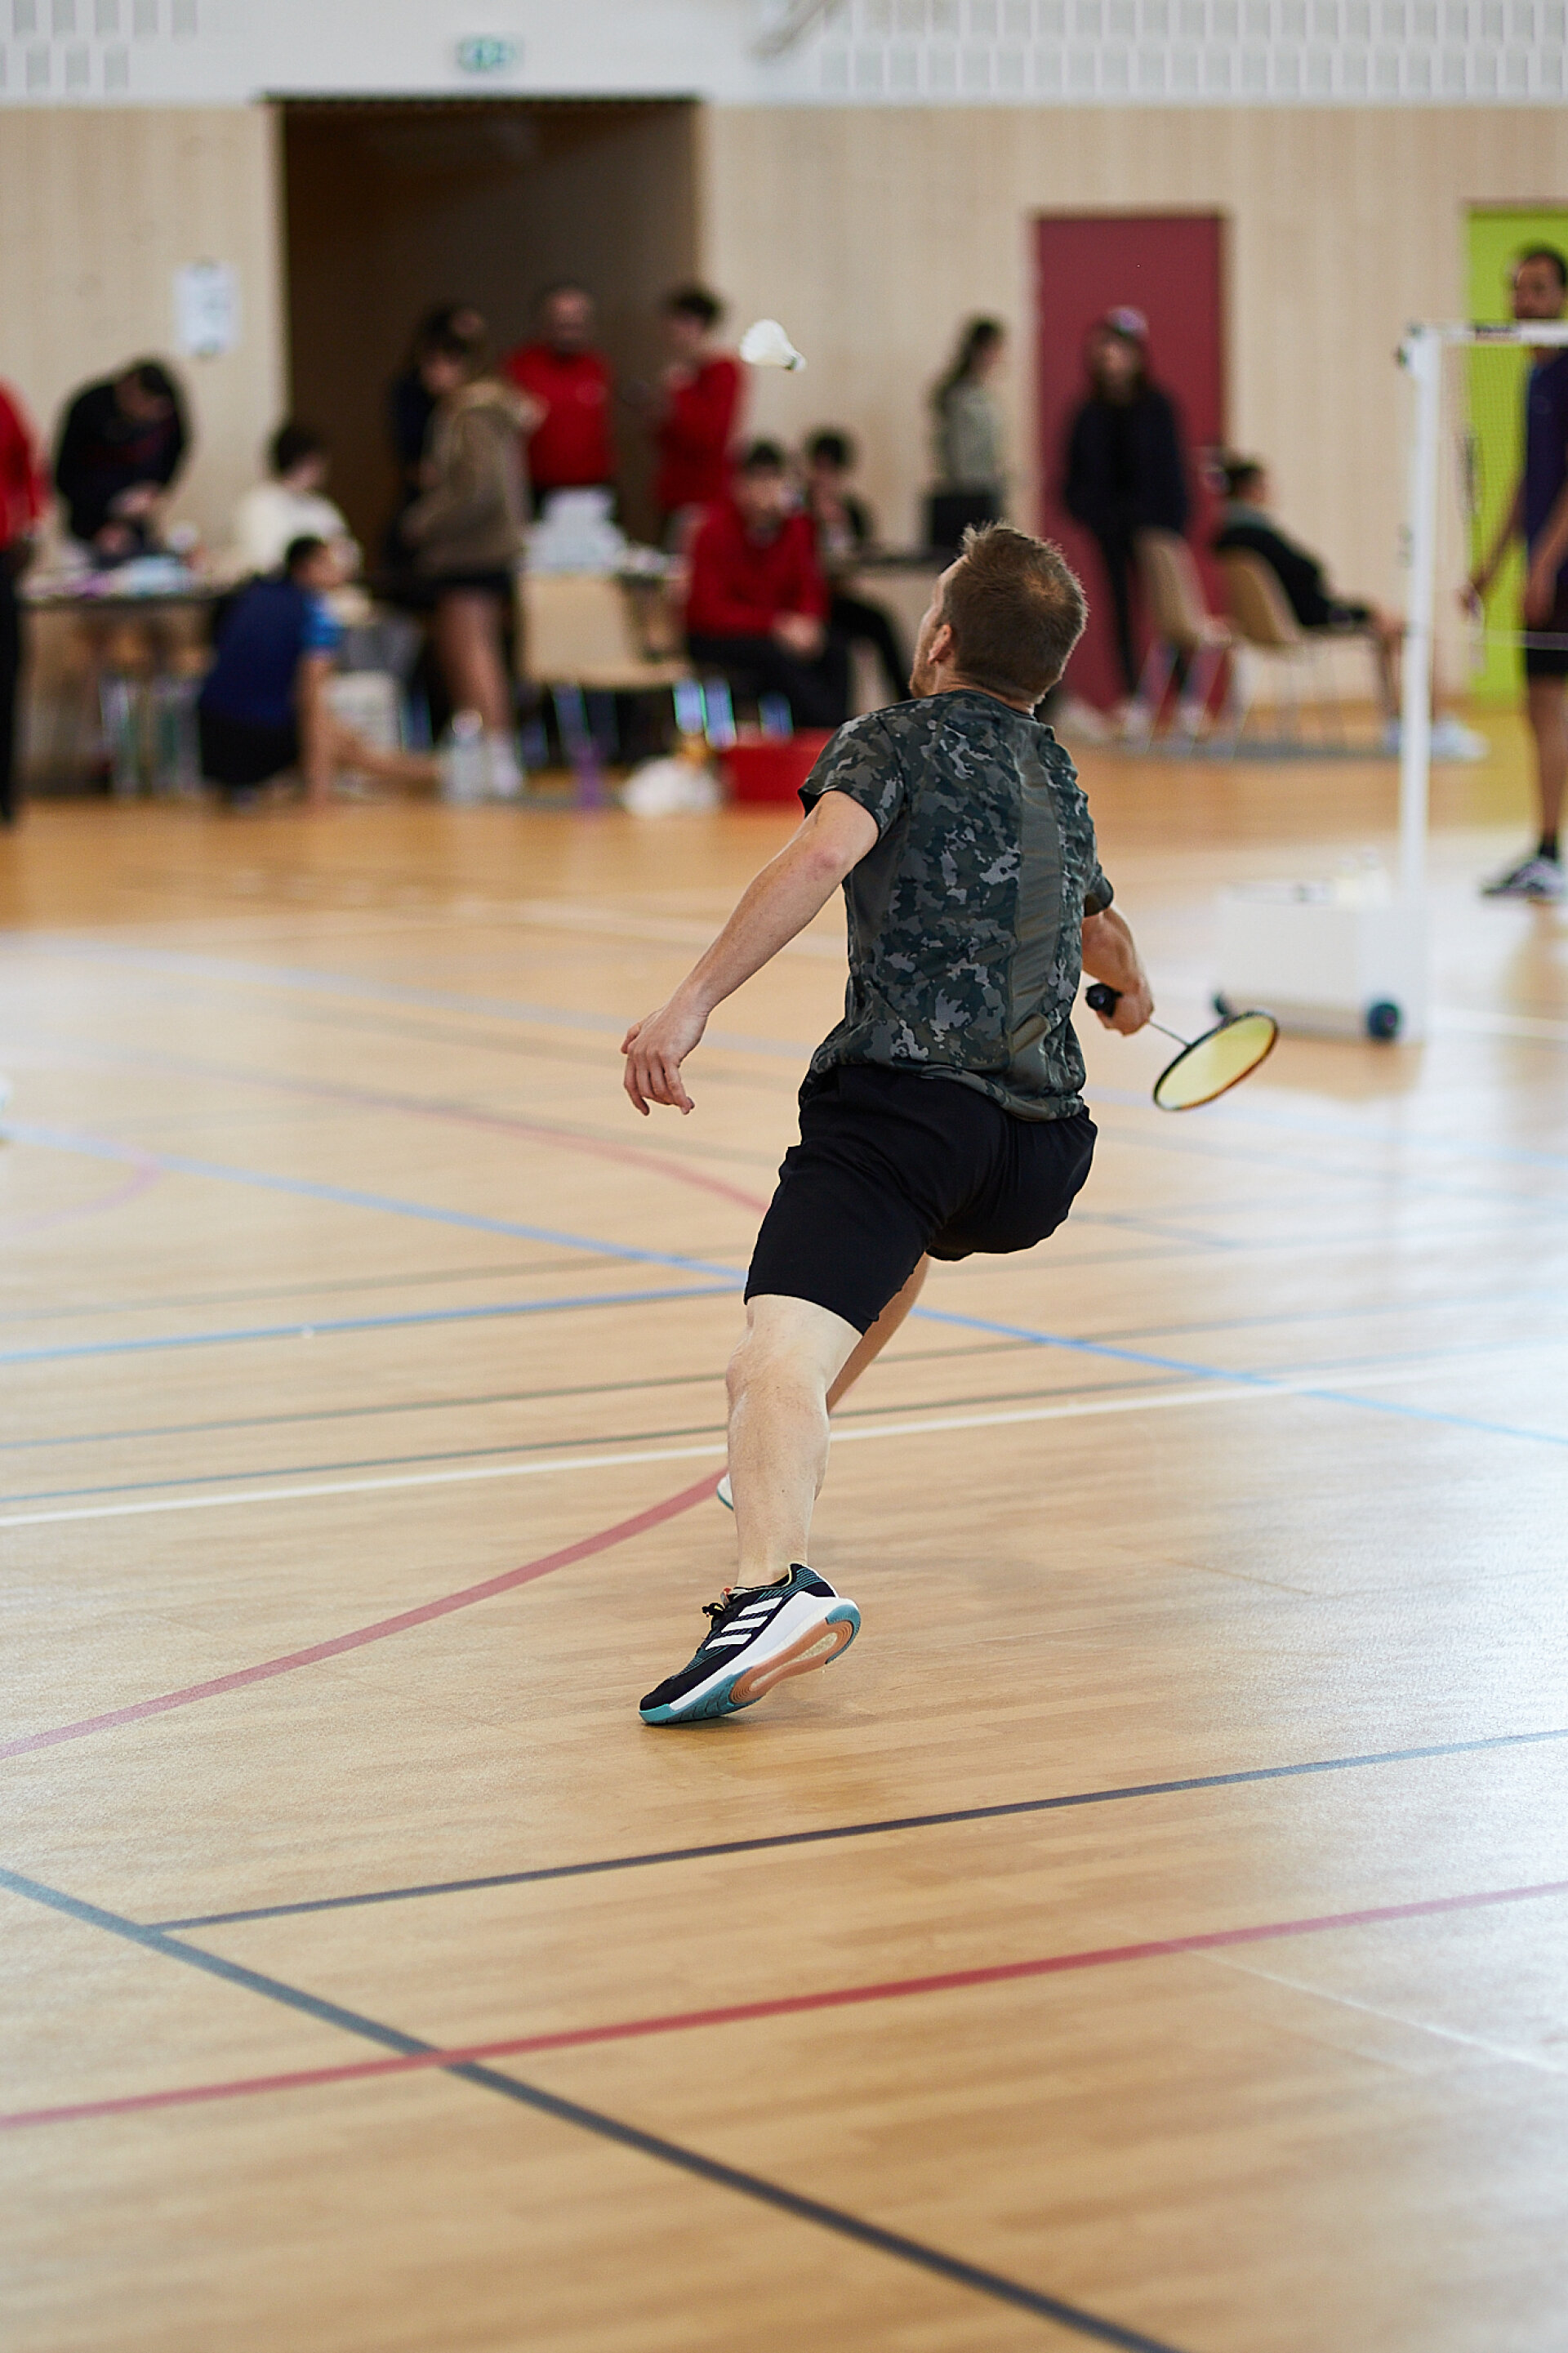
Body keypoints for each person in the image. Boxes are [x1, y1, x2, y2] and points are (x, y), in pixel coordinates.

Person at [622, 522, 1154, 1726]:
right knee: (897, 1241)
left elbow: (822, 858)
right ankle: (780, 1451)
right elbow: (1102, 934)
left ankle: (770, 1590)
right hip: (1037, 1158)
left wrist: (690, 1002)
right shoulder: (1057, 771)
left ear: (941, 637)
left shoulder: (891, 738)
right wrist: (1134, 994)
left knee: (769, 1358)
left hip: (908, 1115)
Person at [1214, 457, 1484, 760]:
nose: (1270, 490)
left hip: (1300, 613)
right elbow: (1307, 570)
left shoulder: (1229, 535)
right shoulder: (1255, 535)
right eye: (1264, 485)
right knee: (1416, 632)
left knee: (1386, 628)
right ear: (1249, 489)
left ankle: (1400, 724)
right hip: (1310, 616)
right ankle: (1433, 726)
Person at [1468, 247, 1568, 902]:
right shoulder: (1534, 375)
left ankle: (1550, 852)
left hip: (1562, 573)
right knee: (1540, 708)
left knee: (1550, 705)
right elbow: (1530, 479)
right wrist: (1491, 566)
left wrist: (1546, 565)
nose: (1523, 301)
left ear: (1561, 296)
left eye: (1537, 289)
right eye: (1517, 289)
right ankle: (1546, 849)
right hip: (1543, 568)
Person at [398, 320, 533, 800]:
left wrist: (424, 519)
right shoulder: (485, 411)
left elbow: (478, 489)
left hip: (473, 550)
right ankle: (485, 752)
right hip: (482, 548)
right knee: (466, 651)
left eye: (435, 364)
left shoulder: (471, 413)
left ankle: (498, 756)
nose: (429, 376)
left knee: (474, 652)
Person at [198, 536, 437, 808]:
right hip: (259, 742)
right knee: (344, 743)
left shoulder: (252, 595)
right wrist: (319, 793)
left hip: (211, 740)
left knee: (344, 739)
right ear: (306, 567)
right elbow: (310, 700)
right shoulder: (316, 613)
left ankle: (435, 772)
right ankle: (440, 772)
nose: (338, 569)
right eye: (328, 562)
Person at [1062, 309, 1189, 715]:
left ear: (1134, 356)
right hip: (1110, 528)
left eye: (1117, 352)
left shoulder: (1156, 406)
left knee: (1169, 608)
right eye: (1103, 354)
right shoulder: (1088, 412)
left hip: (1155, 525)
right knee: (1120, 612)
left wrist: (1172, 521)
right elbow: (1075, 472)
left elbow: (1171, 467)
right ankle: (1134, 698)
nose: (1110, 362)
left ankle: (1187, 696)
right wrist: (1090, 513)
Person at [684, 439, 846, 729]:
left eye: (773, 480)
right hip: (723, 634)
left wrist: (808, 622)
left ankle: (843, 733)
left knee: (834, 648)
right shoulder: (712, 530)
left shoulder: (797, 528)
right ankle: (825, 732)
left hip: (778, 628)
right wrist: (776, 624)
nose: (765, 492)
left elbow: (810, 587)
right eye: (757, 482)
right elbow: (707, 611)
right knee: (777, 659)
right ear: (739, 486)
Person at [804, 428, 910, 707]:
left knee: (882, 624)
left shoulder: (852, 511)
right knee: (837, 646)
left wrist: (838, 526)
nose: (824, 477)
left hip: (836, 599)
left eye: (832, 470)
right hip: (805, 604)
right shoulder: (797, 509)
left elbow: (858, 561)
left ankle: (908, 704)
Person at [53, 359, 188, 561]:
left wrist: (157, 488)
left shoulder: (167, 411)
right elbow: (65, 476)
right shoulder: (90, 409)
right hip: (88, 527)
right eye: (147, 406)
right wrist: (99, 527)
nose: (151, 417)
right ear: (128, 389)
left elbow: (177, 449)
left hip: (137, 527)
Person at [503, 283, 616, 514]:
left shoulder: (597, 365)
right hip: (539, 490)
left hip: (594, 489)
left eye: (577, 316)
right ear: (544, 320)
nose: (570, 323)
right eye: (561, 316)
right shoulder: (519, 367)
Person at [649, 285, 743, 538]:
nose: (670, 334)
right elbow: (664, 438)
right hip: (673, 490)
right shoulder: (682, 372)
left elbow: (710, 435)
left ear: (694, 325)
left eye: (676, 325)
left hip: (704, 494)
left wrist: (681, 392)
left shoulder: (722, 371)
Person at [0, 379, 45, 827]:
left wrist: (31, 523)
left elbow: (26, 464)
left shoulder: (3, 401)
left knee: (7, 671)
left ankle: (5, 791)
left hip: (2, 555)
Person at [228, 422, 354, 581]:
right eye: (315, 463)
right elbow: (264, 560)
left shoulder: (322, 507)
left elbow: (346, 553)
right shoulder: (257, 505)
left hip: (326, 588)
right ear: (300, 462)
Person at [929, 317, 1006, 552]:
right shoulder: (961, 397)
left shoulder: (983, 394)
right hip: (967, 498)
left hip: (986, 492)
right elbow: (958, 455)